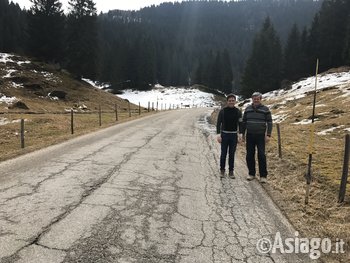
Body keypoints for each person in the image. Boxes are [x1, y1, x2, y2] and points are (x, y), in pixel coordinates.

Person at [242, 92, 273, 183]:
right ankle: (251, 174)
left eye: (258, 98)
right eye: (254, 98)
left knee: (261, 155)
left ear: (260, 99)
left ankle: (263, 176)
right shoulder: (247, 109)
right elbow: (244, 123)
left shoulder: (265, 109)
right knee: (249, 155)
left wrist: (268, 135)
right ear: (252, 99)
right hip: (250, 135)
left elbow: (270, 122)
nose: (256, 100)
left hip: (260, 136)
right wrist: (242, 134)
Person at [216, 94, 243, 178]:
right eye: (230, 101)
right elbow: (218, 123)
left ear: (235, 101)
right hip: (224, 135)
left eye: (233, 100)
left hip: (233, 135)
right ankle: (222, 170)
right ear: (227, 101)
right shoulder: (222, 111)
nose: (231, 102)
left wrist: (240, 134)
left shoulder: (238, 112)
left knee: (232, 154)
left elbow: (240, 123)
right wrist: (218, 135)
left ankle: (231, 171)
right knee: (223, 154)